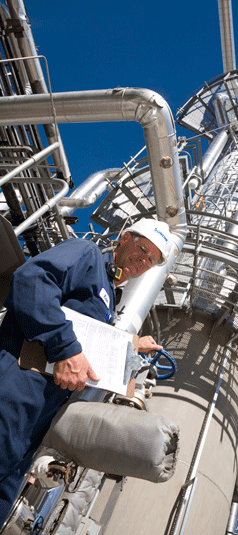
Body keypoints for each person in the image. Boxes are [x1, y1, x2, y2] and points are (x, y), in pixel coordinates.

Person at [0, 218, 171, 525]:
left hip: (36, 420)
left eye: (151, 260)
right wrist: (65, 349)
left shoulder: (109, 300)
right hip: (14, 386)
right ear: (125, 238)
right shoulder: (88, 254)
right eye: (142, 248)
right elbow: (33, 280)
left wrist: (129, 345)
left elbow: (86, 337)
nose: (143, 261)